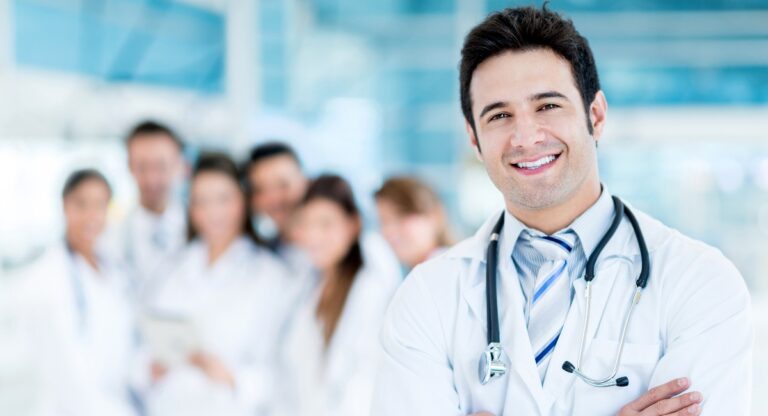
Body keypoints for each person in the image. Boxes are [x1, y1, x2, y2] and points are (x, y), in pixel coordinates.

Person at [372, 6, 752, 416]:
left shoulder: (698, 283)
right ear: (474, 138)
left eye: (547, 106)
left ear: (596, 114)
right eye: (499, 115)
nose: (525, 136)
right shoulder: (427, 297)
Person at [139, 153, 293, 416]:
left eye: (223, 199)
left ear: (243, 201)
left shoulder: (270, 276)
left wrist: (231, 377)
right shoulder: (172, 268)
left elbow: (283, 371)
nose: (212, 212)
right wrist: (150, 367)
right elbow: (141, 342)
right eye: (202, 201)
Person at [275, 174, 399, 416]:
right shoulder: (306, 288)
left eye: (326, 224)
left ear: (353, 225)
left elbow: (362, 386)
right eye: (307, 224)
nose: (314, 235)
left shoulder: (370, 291)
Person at [17, 169, 137, 416]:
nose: (91, 216)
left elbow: (121, 347)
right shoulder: (44, 282)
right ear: (64, 206)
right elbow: (69, 381)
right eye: (81, 204)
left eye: (100, 205)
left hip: (115, 403)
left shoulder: (112, 269)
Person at [108, 121, 187, 295]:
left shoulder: (200, 232)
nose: (152, 179)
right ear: (129, 167)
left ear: (179, 165)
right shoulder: (111, 236)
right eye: (142, 167)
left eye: (161, 166)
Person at [374, 176, 454, 270]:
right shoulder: (419, 275)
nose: (389, 231)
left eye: (401, 216)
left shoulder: (445, 270)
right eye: (384, 221)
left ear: (435, 215)